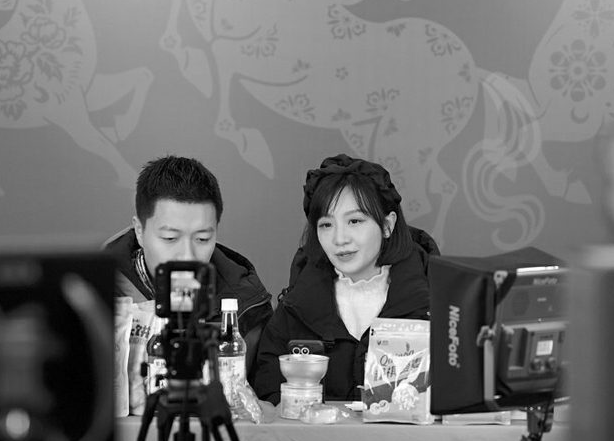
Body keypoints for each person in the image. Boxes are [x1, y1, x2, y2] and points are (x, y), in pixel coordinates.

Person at [253, 154, 438, 404]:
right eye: (326, 225)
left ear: (387, 225)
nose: (340, 239)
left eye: (354, 221)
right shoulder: (296, 307)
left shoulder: (434, 303)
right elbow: (269, 391)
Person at [103, 155, 273, 376]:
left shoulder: (247, 307)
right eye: (170, 238)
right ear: (139, 231)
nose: (187, 256)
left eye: (202, 239)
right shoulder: (97, 295)